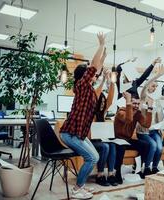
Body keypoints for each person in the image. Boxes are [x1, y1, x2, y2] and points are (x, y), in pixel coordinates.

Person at [60, 33, 106, 199]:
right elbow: (93, 67)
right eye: (90, 73)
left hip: (77, 133)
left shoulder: (89, 90)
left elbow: (97, 70)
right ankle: (77, 189)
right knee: (93, 158)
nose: (93, 75)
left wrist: (103, 57)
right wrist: (100, 46)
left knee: (95, 156)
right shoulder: (82, 85)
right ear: (84, 76)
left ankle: (81, 186)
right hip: (70, 134)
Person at [114, 91, 153, 180]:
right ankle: (117, 172)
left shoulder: (137, 113)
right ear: (128, 102)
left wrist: (150, 108)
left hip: (127, 139)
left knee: (146, 145)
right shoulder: (121, 111)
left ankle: (137, 168)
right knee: (121, 146)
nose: (136, 106)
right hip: (118, 139)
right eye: (134, 103)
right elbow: (128, 119)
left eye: (138, 104)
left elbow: (147, 125)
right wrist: (128, 103)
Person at [90, 68, 119, 186]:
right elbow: (95, 94)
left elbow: (110, 99)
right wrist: (102, 81)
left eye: (103, 102)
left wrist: (110, 81)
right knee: (105, 147)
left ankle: (111, 174)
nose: (103, 104)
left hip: (99, 140)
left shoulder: (102, 113)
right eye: (100, 102)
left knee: (112, 144)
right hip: (89, 141)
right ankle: (100, 174)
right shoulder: (90, 112)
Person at [136, 64, 164, 174]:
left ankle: (154, 167)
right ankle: (147, 168)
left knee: (159, 147)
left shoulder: (157, 100)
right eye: (153, 85)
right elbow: (145, 86)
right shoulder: (143, 97)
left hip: (154, 131)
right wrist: (157, 75)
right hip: (143, 132)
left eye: (156, 86)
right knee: (153, 145)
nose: (154, 88)